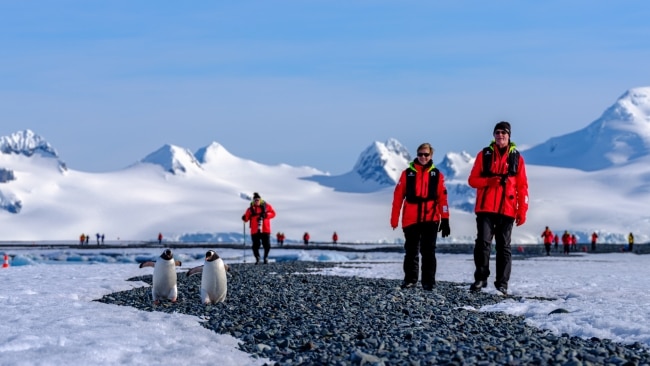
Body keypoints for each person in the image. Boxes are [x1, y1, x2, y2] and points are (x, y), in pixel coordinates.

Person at [467, 122, 528, 295]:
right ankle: (480, 278)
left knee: (504, 247)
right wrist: (488, 182)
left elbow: (522, 187)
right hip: (485, 207)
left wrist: (522, 210)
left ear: (509, 136)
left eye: (504, 133)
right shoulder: (484, 155)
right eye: (497, 132)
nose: (500, 135)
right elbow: (472, 180)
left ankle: (502, 283)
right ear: (494, 135)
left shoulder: (517, 158)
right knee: (483, 243)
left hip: (507, 209)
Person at [391, 142, 450, 291]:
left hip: (431, 219)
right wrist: (394, 218)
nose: (423, 157)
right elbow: (398, 197)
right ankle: (410, 279)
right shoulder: (407, 174)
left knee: (428, 251)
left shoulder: (437, 175)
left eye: (426, 154)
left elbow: (442, 199)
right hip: (411, 219)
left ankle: (428, 281)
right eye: (420, 154)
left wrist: (445, 218)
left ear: (431, 156)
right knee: (411, 250)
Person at [242, 192, 276, 264]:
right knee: (255, 246)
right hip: (255, 230)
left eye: (258, 199)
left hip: (265, 229)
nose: (257, 201)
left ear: (260, 199)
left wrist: (266, 215)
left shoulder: (267, 206)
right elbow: (246, 218)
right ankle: (257, 258)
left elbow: (273, 214)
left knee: (267, 245)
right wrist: (244, 218)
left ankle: (265, 257)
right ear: (253, 200)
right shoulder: (250, 209)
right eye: (255, 200)